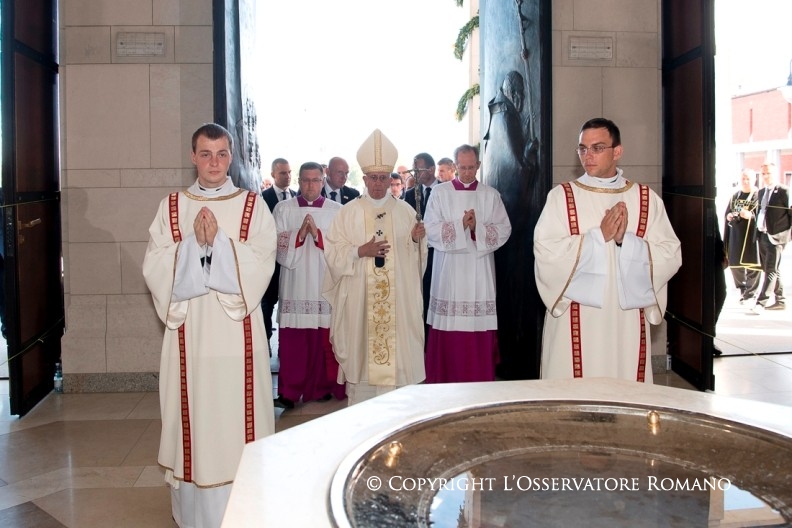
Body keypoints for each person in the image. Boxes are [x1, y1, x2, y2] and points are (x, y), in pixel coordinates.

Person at [142, 123, 276, 527]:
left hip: (238, 338)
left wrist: (217, 244)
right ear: (192, 156)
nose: (214, 163)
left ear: (231, 156)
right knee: (193, 422)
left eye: (221, 154)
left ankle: (244, 511)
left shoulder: (253, 205)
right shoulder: (170, 206)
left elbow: (262, 261)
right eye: (205, 154)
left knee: (237, 420)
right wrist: (193, 247)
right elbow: (154, 264)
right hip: (190, 336)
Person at [534, 118, 682, 382]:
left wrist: (627, 242)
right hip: (575, 320)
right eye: (582, 148)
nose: (587, 156)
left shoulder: (645, 199)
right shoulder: (561, 197)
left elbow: (670, 253)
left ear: (617, 151)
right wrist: (597, 237)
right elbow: (546, 254)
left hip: (626, 321)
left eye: (597, 148)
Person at [322, 129, 427, 405]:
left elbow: (415, 266)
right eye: (373, 178)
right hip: (360, 307)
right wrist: (360, 251)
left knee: (397, 385)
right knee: (364, 369)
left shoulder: (406, 212)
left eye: (383, 178)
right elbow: (333, 251)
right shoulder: (348, 213)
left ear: (389, 178)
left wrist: (416, 241)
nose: (378, 184)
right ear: (364, 177)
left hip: (397, 312)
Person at [423, 144, 511, 382]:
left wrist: (476, 228)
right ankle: (444, 377)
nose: (467, 172)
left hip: (478, 270)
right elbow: (429, 228)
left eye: (471, 167)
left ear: (478, 166)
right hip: (448, 270)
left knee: (476, 322)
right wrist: (459, 225)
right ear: (454, 166)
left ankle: (478, 378)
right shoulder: (440, 193)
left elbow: (504, 229)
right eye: (462, 167)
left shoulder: (490, 195)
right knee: (447, 322)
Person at [272, 162, 345, 409]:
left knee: (319, 338)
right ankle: (289, 392)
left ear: (323, 181)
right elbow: (276, 245)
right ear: (298, 181)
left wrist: (320, 236)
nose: (310, 185)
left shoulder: (337, 210)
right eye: (305, 180)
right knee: (294, 342)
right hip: (294, 283)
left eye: (315, 180)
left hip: (322, 284)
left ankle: (319, 387)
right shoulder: (284, 209)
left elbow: (342, 247)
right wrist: (299, 235)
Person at [261, 158, 296, 346]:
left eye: (289, 172)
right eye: (283, 173)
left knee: (288, 307)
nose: (287, 176)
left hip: (292, 265)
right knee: (267, 305)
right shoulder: (262, 199)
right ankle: (265, 343)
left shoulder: (297, 197)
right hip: (272, 263)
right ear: (273, 174)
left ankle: (286, 346)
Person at [404, 152, 439, 327]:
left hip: (438, 254)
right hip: (417, 254)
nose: (415, 173)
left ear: (432, 169)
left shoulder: (445, 191)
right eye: (414, 169)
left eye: (419, 169)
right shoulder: (409, 195)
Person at [752, 162, 792, 312]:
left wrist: (785, 235)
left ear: (775, 173)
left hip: (777, 236)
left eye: (769, 173)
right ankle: (781, 300)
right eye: (763, 174)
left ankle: (761, 302)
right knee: (772, 268)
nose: (766, 176)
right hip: (762, 234)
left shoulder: (784, 191)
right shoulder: (761, 192)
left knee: (771, 269)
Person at [724, 168, 761, 302]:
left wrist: (751, 215)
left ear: (754, 179)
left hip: (751, 235)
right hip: (736, 235)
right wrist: (728, 215)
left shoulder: (759, 195)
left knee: (753, 265)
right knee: (735, 265)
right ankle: (742, 289)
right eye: (743, 179)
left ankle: (751, 293)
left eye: (748, 179)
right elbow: (729, 211)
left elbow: (763, 214)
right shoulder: (735, 196)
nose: (745, 181)